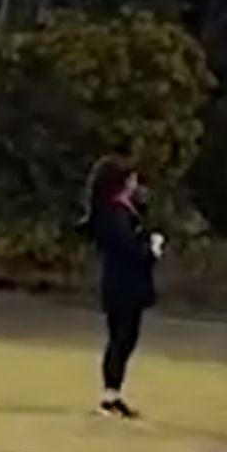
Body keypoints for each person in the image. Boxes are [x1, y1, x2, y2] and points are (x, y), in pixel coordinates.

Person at [82, 157, 163, 420]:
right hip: (123, 283)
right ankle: (109, 397)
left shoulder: (121, 209)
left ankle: (113, 394)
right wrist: (151, 249)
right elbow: (127, 247)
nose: (135, 184)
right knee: (121, 338)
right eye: (132, 179)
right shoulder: (115, 212)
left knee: (125, 338)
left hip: (124, 281)